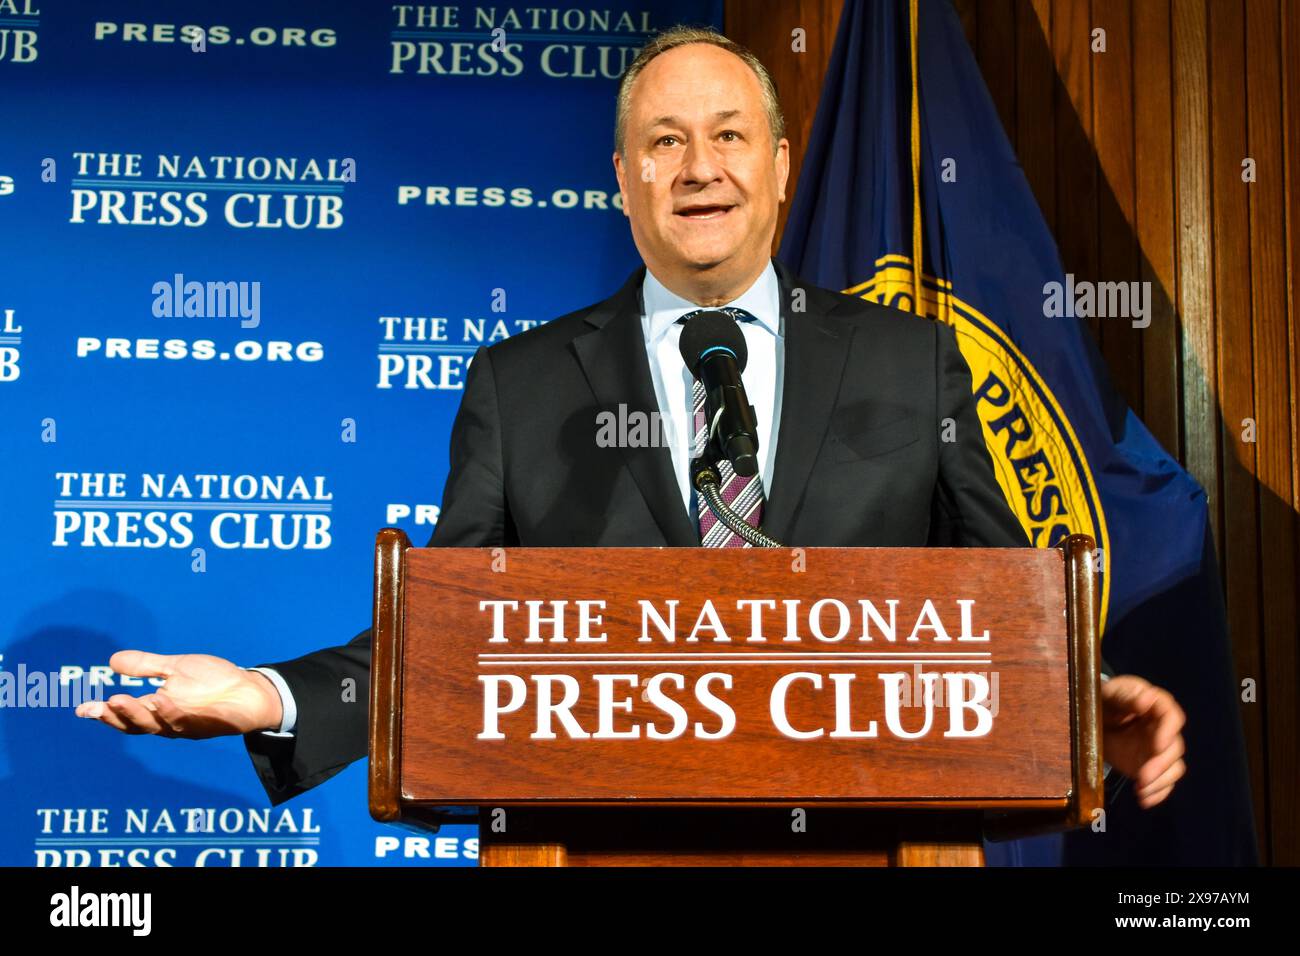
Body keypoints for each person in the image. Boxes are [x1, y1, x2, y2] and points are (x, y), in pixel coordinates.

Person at [77, 25, 1186, 814]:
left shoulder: (912, 359)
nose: (698, 168)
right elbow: (452, 638)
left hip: (871, 837)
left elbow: (990, 601)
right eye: (663, 141)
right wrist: (265, 694)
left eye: (728, 136)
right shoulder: (520, 386)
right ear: (622, 176)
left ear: (782, 166)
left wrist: (1070, 701)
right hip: (596, 840)